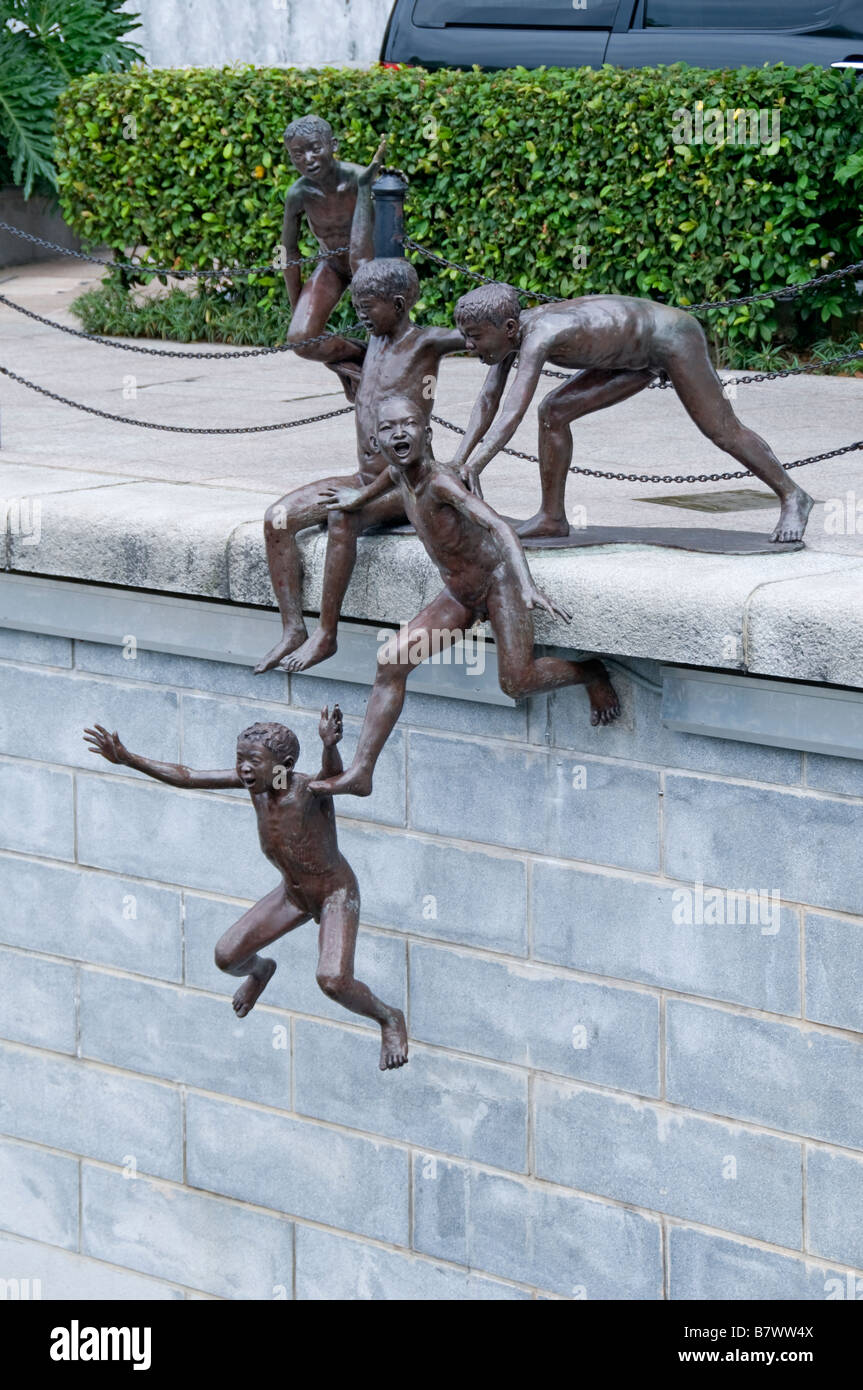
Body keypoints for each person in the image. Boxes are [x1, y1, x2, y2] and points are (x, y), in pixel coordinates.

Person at [308, 397, 620, 801]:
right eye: (388, 429)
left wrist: (525, 583)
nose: (399, 433)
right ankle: (362, 771)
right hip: (458, 592)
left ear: (428, 434)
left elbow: (497, 525)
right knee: (391, 660)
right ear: (375, 441)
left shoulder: (442, 482)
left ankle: (590, 672)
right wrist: (356, 500)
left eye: (409, 425)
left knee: (517, 682)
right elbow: (387, 479)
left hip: (498, 582)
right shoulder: (398, 474)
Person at [83, 708, 409, 1071]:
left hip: (334, 894)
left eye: (254, 761)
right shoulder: (252, 786)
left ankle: (388, 1018)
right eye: (240, 760)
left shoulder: (304, 790)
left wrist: (329, 746)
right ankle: (261, 971)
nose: (244, 769)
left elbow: (334, 778)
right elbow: (188, 776)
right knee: (226, 956)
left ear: (283, 765)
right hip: (294, 894)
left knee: (332, 981)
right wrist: (128, 759)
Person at [256, 154, 465, 675]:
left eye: (369, 307)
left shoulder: (425, 343)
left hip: (403, 488)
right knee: (276, 519)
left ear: (398, 303)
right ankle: (293, 628)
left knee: (341, 515)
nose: (358, 313)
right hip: (364, 477)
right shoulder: (368, 344)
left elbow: (493, 339)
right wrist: (343, 367)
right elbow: (353, 267)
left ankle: (326, 633)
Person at [451, 283, 813, 543]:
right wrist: (458, 462)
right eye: (466, 336)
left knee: (721, 429)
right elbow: (488, 401)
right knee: (554, 411)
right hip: (627, 356)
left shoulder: (540, 335)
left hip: (671, 337)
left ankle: (792, 494)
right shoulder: (508, 334)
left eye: (475, 337)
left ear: (509, 328)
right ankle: (552, 518)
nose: (468, 346)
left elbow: (513, 409)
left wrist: (476, 465)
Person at [281, 114, 376, 399]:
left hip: (372, 267)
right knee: (301, 340)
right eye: (298, 154)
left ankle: (372, 364)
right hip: (332, 266)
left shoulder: (360, 177)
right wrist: (298, 307)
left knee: (386, 335)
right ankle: (360, 356)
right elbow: (290, 252)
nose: (308, 159)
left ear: (332, 144)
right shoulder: (298, 193)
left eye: (315, 148)